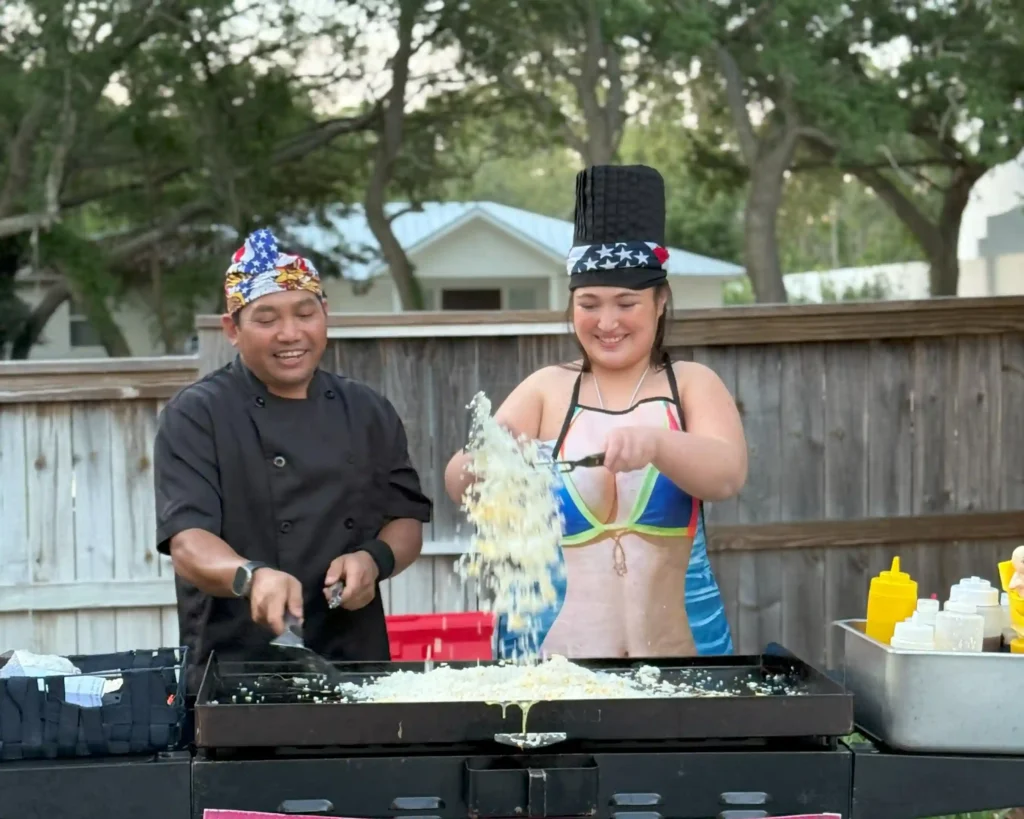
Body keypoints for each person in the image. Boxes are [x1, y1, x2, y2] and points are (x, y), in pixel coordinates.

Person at [444, 165, 747, 660]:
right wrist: (489, 464)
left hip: (684, 662)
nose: (607, 322)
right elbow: (460, 480)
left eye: (626, 303)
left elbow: (727, 475)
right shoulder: (545, 389)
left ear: (661, 300)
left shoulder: (690, 384)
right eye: (589, 304)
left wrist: (657, 444)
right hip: (559, 670)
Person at [154, 228, 432, 686]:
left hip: (357, 664)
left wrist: (375, 559)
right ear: (232, 330)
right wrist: (250, 576)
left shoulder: (367, 410)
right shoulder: (198, 414)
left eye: (305, 313)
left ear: (325, 314)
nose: (290, 333)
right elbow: (188, 542)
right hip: (238, 671)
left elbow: (405, 520)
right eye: (266, 319)